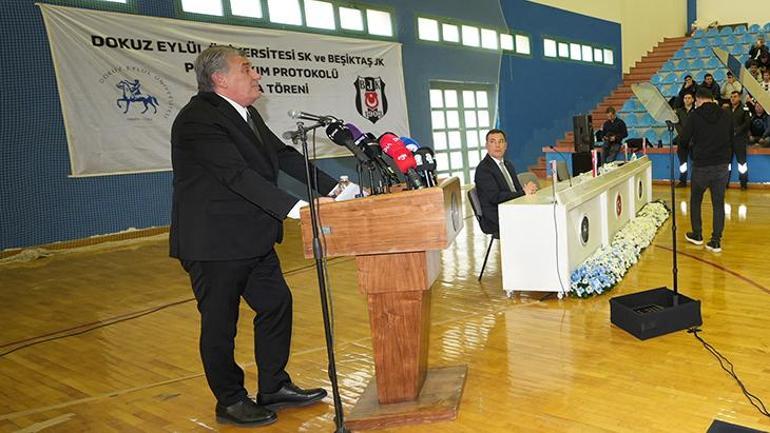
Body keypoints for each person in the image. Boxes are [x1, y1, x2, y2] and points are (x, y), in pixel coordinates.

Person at [170, 46, 338, 426]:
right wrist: (296, 208)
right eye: (246, 68)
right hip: (214, 244)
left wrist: (337, 190)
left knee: (276, 304)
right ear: (220, 79)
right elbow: (236, 175)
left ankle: (274, 386)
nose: (257, 74)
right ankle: (230, 400)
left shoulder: (246, 114)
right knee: (220, 323)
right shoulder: (198, 119)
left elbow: (285, 156)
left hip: (252, 238)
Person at [678, 87, 735, 253]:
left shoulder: (694, 115)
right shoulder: (726, 114)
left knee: (696, 201)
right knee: (718, 204)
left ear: (699, 100)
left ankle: (697, 234)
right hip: (721, 166)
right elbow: (732, 138)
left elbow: (683, 139)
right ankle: (716, 241)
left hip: (701, 166)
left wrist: (688, 150)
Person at [474, 129, 537, 235]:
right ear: (486, 146)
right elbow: (495, 197)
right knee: (536, 221)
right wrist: (523, 192)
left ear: (506, 146)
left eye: (501, 141)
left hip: (513, 208)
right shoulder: (483, 169)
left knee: (541, 214)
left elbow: (516, 190)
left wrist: (527, 191)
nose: (497, 145)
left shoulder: (508, 164)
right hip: (496, 216)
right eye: (493, 142)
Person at [727, 90, 750, 189]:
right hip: (728, 141)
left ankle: (743, 183)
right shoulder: (727, 109)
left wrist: (737, 131)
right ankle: (725, 182)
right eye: (731, 97)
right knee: (727, 163)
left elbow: (747, 123)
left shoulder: (744, 109)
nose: (733, 98)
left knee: (742, 163)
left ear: (739, 97)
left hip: (740, 140)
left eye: (735, 96)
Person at [675, 93, 695, 187]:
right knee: (683, 163)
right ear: (683, 100)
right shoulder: (679, 111)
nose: (687, 99)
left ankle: (696, 181)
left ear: (693, 100)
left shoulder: (696, 111)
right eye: (685, 98)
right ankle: (682, 181)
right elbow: (676, 123)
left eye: (689, 98)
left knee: (695, 162)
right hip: (682, 140)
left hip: (694, 140)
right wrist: (683, 133)